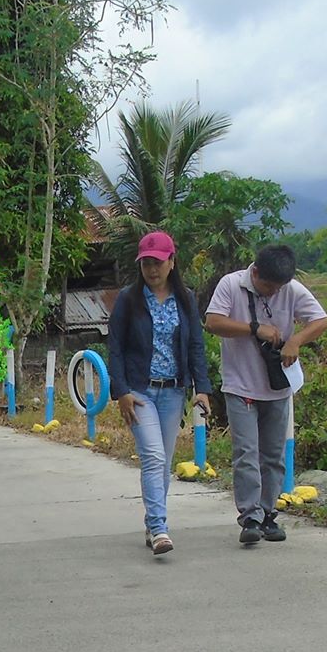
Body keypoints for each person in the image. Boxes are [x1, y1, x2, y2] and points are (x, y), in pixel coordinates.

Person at [201, 243, 327, 546]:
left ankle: (269, 512)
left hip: (277, 387)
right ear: (255, 272)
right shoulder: (231, 284)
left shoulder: (291, 289)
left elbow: (322, 320)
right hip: (240, 384)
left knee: (273, 455)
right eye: (268, 287)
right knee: (246, 453)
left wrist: (296, 340)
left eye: (278, 288)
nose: (273, 293)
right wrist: (254, 328)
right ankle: (250, 517)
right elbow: (213, 322)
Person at [105, 230, 211, 557]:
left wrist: (202, 388)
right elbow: (116, 348)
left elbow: (195, 345)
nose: (152, 270)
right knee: (152, 456)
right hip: (139, 392)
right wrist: (120, 390)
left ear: (171, 263)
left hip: (172, 391)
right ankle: (160, 525)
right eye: (146, 263)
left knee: (162, 462)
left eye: (158, 263)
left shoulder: (186, 299)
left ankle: (153, 525)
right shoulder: (128, 298)